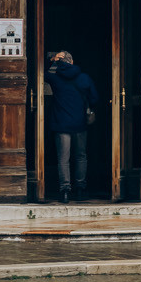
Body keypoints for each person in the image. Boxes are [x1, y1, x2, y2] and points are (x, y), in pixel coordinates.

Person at [44, 49, 99, 203]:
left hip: (61, 124)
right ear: (72, 61)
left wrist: (54, 61)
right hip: (80, 123)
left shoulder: (55, 78)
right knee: (81, 156)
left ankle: (65, 190)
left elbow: (45, 74)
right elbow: (94, 98)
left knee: (63, 158)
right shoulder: (84, 78)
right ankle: (81, 188)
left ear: (60, 62)